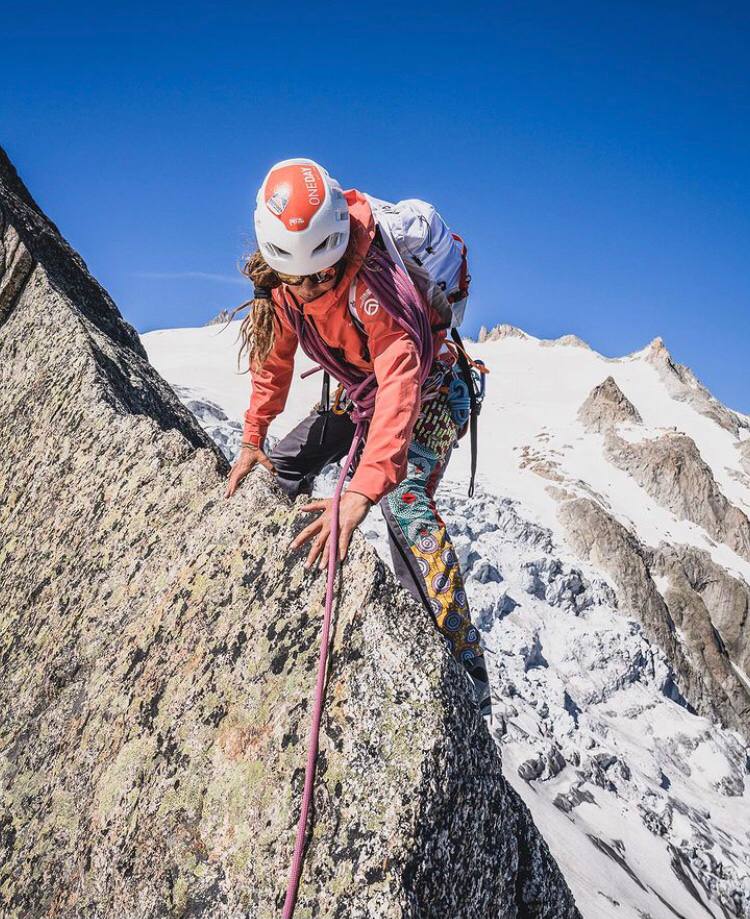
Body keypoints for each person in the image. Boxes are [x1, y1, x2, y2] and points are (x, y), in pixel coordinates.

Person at [225, 157, 492, 720]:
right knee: (288, 459)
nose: (318, 284)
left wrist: (361, 491)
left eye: (325, 273)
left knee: (403, 503)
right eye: (305, 279)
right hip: (365, 393)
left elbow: (402, 383)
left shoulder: (374, 281)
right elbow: (273, 357)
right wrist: (253, 435)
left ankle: (465, 668)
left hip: (436, 390)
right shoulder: (281, 288)